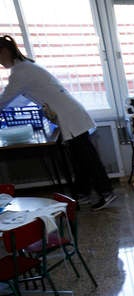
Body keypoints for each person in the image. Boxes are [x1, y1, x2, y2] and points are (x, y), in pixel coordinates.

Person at [0, 35, 117, 211]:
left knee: (88, 159)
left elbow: (6, 99)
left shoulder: (21, 72)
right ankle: (84, 193)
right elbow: (19, 100)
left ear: (5, 52)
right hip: (69, 116)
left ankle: (106, 192)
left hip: (70, 117)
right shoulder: (26, 67)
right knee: (80, 159)